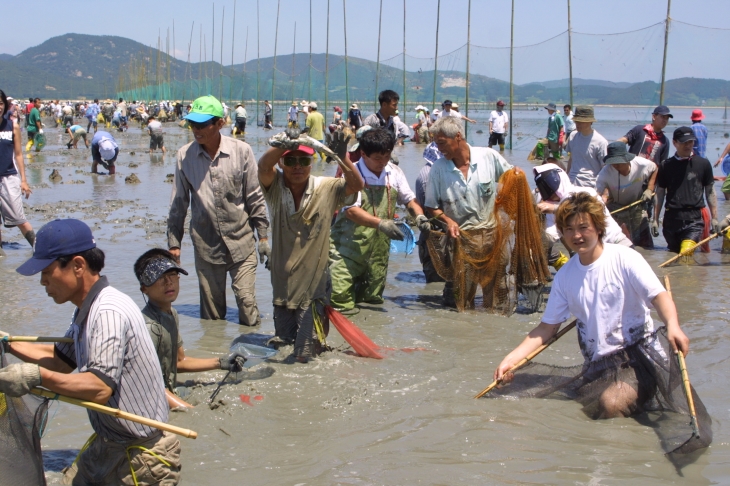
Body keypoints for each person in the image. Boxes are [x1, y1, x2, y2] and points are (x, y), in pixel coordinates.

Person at [1, 219, 180, 484]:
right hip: (107, 444)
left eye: (47, 271)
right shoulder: (86, 309)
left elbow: (98, 388)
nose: (42, 281)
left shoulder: (107, 311)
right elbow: (59, 362)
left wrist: (33, 376)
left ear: (77, 266)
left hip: (142, 458)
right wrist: (9, 343)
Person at [493, 192, 692, 422]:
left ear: (598, 227)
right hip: (598, 365)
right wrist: (511, 359)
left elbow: (659, 297)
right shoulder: (565, 277)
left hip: (639, 360)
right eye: (569, 229)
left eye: (583, 227)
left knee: (611, 403)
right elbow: (546, 329)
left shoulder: (626, 258)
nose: (576, 235)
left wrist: (674, 326)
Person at [258, 129, 364, 361]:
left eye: (304, 160)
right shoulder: (275, 188)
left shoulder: (326, 187)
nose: (297, 166)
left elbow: (356, 185)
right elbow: (264, 167)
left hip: (313, 286)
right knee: (283, 345)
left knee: (305, 353)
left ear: (311, 162)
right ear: (282, 162)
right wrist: (283, 143)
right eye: (290, 160)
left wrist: (342, 157)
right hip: (282, 285)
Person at [168, 95, 270, 327]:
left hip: (241, 241)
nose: (196, 129)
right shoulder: (185, 155)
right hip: (206, 244)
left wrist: (263, 236)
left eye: (202, 124)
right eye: (193, 124)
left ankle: (252, 353)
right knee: (212, 317)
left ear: (220, 124)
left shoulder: (241, 151)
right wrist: (174, 243)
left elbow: (254, 195)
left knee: (246, 304)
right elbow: (179, 203)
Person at [134, 248, 247, 409]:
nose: (168, 282)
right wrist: (192, 412)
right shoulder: (149, 329)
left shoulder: (171, 314)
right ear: (144, 288)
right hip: (152, 401)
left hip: (167, 391)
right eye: (159, 277)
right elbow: (149, 387)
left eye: (172, 274)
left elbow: (179, 362)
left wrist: (222, 363)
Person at [329, 128, 427, 313]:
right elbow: (350, 211)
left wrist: (419, 216)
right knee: (340, 303)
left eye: (387, 156)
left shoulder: (394, 172)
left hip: (378, 254)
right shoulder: (351, 173)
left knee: (372, 305)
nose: (383, 162)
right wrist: (381, 223)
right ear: (363, 154)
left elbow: (409, 200)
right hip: (347, 251)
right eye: (377, 158)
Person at [424, 116, 513, 308]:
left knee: (497, 298)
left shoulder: (488, 156)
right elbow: (431, 206)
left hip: (493, 236)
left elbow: (512, 181)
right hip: (461, 240)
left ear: (457, 137)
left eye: (442, 143)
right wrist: (448, 221)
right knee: (463, 299)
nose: (439, 149)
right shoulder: (438, 169)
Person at [653, 126, 718, 255]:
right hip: (671, 219)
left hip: (694, 218)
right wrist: (655, 219)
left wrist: (714, 218)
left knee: (686, 252)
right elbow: (660, 193)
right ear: (675, 143)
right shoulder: (666, 165)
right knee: (673, 254)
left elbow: (710, 191)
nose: (688, 145)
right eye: (684, 142)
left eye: (691, 142)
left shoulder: (703, 164)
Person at [595, 142, 657, 248]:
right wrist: (601, 201)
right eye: (613, 162)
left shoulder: (641, 163)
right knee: (622, 243)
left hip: (637, 205)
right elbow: (596, 194)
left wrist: (649, 189)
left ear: (627, 159)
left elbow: (655, 168)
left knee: (646, 245)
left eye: (618, 163)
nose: (615, 165)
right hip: (617, 207)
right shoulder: (605, 173)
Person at [0, 89, 35, 251]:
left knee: (19, 218)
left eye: (1, 103)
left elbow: (19, 155)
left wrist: (24, 180)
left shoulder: (12, 126)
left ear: (5, 105)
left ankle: (38, 249)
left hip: (9, 177)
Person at [415, 142, 445, 283]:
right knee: (436, 278)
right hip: (435, 234)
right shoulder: (429, 174)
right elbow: (430, 208)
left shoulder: (437, 171)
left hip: (439, 232)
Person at [564, 106, 607, 188]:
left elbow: (605, 168)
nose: (577, 124)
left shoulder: (601, 142)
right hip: (572, 183)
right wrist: (566, 177)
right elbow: (571, 158)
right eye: (576, 121)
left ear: (590, 122)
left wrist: (603, 189)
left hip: (589, 185)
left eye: (581, 122)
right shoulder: (573, 136)